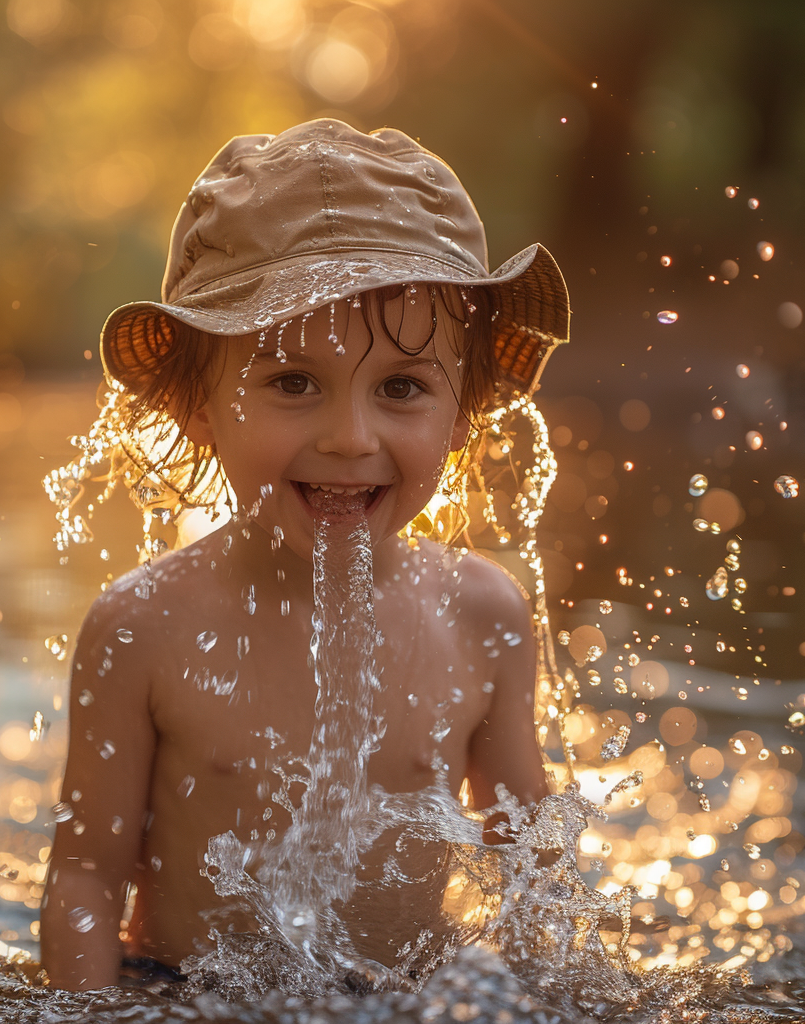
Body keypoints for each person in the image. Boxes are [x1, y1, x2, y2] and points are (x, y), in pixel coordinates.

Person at [40, 119, 569, 990]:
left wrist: (558, 1004)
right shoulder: (144, 628)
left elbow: (536, 875)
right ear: (199, 405)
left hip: (408, 1004)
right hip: (186, 1000)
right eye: (292, 382)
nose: (350, 437)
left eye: (401, 387)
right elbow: (85, 879)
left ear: (463, 411)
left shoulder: (482, 615)